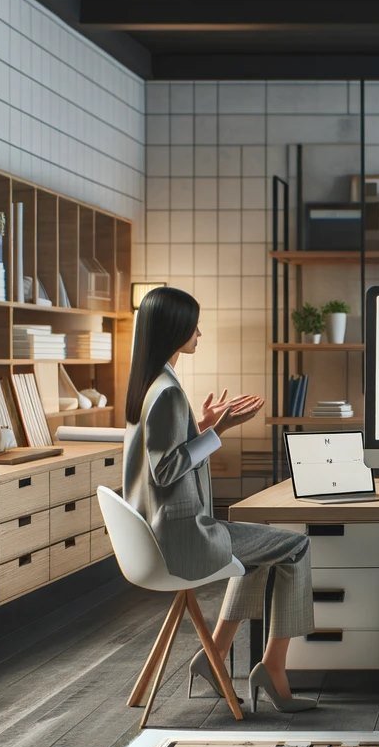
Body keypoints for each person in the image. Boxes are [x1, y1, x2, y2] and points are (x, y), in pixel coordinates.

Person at [123, 286, 318, 713]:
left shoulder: (149, 385)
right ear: (175, 328)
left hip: (157, 537)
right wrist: (218, 431)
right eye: (193, 324)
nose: (200, 332)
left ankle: (215, 657)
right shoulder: (169, 392)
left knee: (259, 548)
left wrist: (200, 426)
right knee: (297, 546)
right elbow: (167, 469)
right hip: (181, 540)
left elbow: (163, 456)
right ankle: (274, 667)